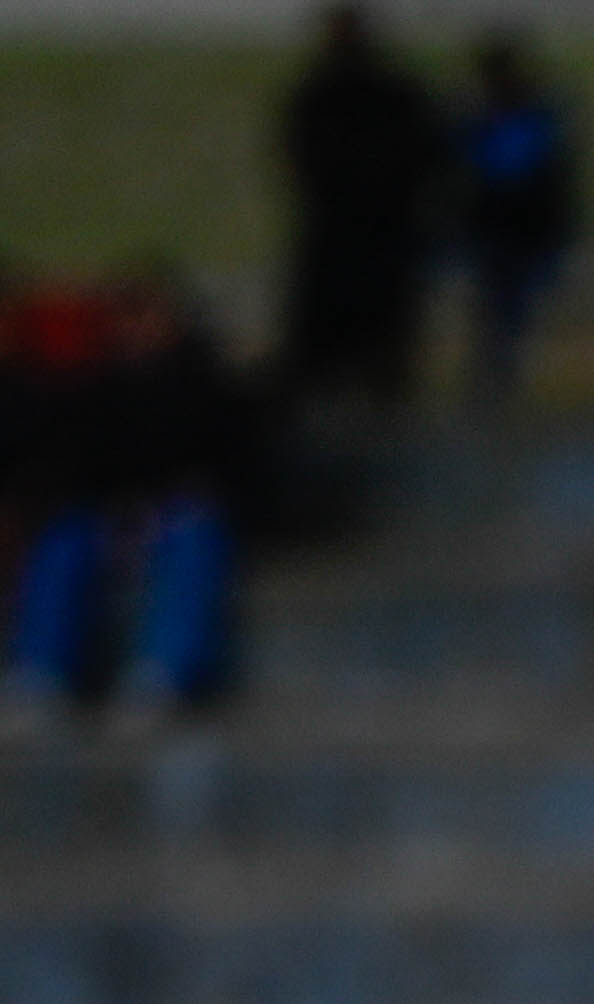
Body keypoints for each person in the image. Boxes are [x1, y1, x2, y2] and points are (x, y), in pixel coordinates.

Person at [8, 273, 256, 726]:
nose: (138, 328)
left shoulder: (208, 386)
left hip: (179, 519)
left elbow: (236, 469)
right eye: (128, 315)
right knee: (63, 539)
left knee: (193, 536)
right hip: (108, 516)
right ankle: (39, 675)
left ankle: (160, 674)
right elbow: (70, 464)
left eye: (148, 315)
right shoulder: (92, 390)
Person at [278, 6, 456, 416]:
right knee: (378, 352)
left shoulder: (320, 96)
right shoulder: (396, 94)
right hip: (380, 240)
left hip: (348, 239)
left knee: (342, 352)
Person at [455, 31, 588, 409]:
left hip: (513, 229)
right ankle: (497, 382)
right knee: (503, 313)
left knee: (502, 312)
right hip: (510, 229)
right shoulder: (531, 114)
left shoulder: (487, 116)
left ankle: (495, 383)